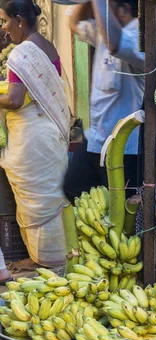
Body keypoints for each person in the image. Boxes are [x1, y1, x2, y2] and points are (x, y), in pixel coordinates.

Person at [0, 0, 69, 268]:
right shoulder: (48, 47)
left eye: (5, 21)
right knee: (49, 197)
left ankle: (44, 260)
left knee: (35, 201)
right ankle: (47, 257)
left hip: (33, 140)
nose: (5, 29)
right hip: (49, 134)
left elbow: (16, 100)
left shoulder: (21, 54)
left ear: (19, 20)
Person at [64, 0, 144, 202]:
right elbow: (73, 23)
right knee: (72, 188)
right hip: (97, 139)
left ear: (124, 9)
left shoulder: (138, 37)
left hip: (125, 150)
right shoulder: (102, 34)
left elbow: (116, 43)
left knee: (123, 214)